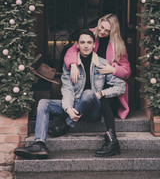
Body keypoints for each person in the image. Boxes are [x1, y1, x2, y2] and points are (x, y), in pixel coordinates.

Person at [14, 29, 125, 159]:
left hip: (93, 109)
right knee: (43, 103)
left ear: (94, 45)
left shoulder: (102, 63)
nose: (86, 45)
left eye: (89, 42)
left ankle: (67, 124)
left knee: (89, 93)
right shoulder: (70, 65)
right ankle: (39, 144)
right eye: (82, 42)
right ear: (77, 45)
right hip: (74, 105)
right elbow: (67, 89)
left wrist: (101, 93)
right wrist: (68, 108)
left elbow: (121, 86)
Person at [64, 14, 131, 157]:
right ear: (99, 23)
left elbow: (127, 71)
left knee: (104, 100)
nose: (102, 32)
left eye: (107, 31)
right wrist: (73, 64)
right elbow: (71, 51)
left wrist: (113, 69)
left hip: (112, 86)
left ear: (112, 31)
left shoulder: (119, 45)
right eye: (101, 27)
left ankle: (112, 141)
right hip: (95, 84)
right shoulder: (89, 35)